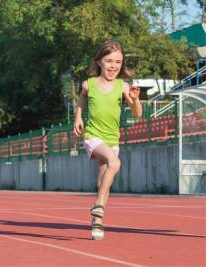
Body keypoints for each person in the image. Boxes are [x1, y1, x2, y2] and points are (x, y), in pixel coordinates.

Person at [73, 40, 142, 240]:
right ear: (99, 62)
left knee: (104, 181)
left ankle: (97, 222)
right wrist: (78, 117)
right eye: (109, 61)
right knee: (115, 162)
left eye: (118, 62)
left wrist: (136, 98)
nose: (113, 66)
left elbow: (137, 114)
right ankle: (99, 207)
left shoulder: (122, 86)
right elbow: (82, 97)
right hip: (93, 136)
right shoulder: (89, 84)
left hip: (112, 139)